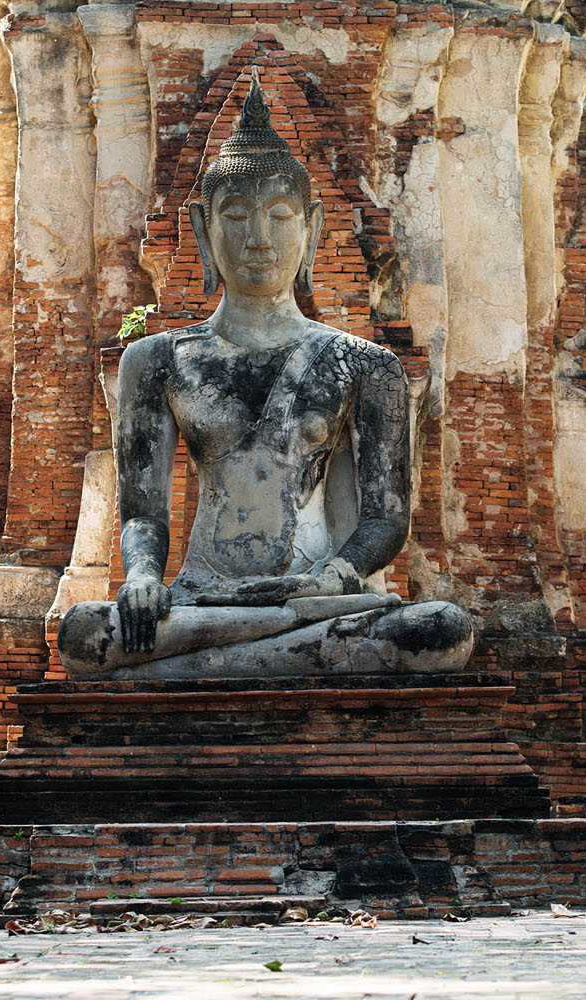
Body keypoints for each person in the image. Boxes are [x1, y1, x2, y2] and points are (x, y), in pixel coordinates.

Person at [57, 74, 473, 681]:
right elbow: (143, 514)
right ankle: (269, 658)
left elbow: (386, 521)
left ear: (312, 228)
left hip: (315, 597)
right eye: (236, 215)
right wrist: (145, 578)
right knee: (84, 634)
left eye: (279, 216)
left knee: (439, 631)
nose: (258, 239)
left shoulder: (366, 365)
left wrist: (337, 573)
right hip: (201, 596)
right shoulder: (156, 360)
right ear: (203, 229)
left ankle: (202, 669)